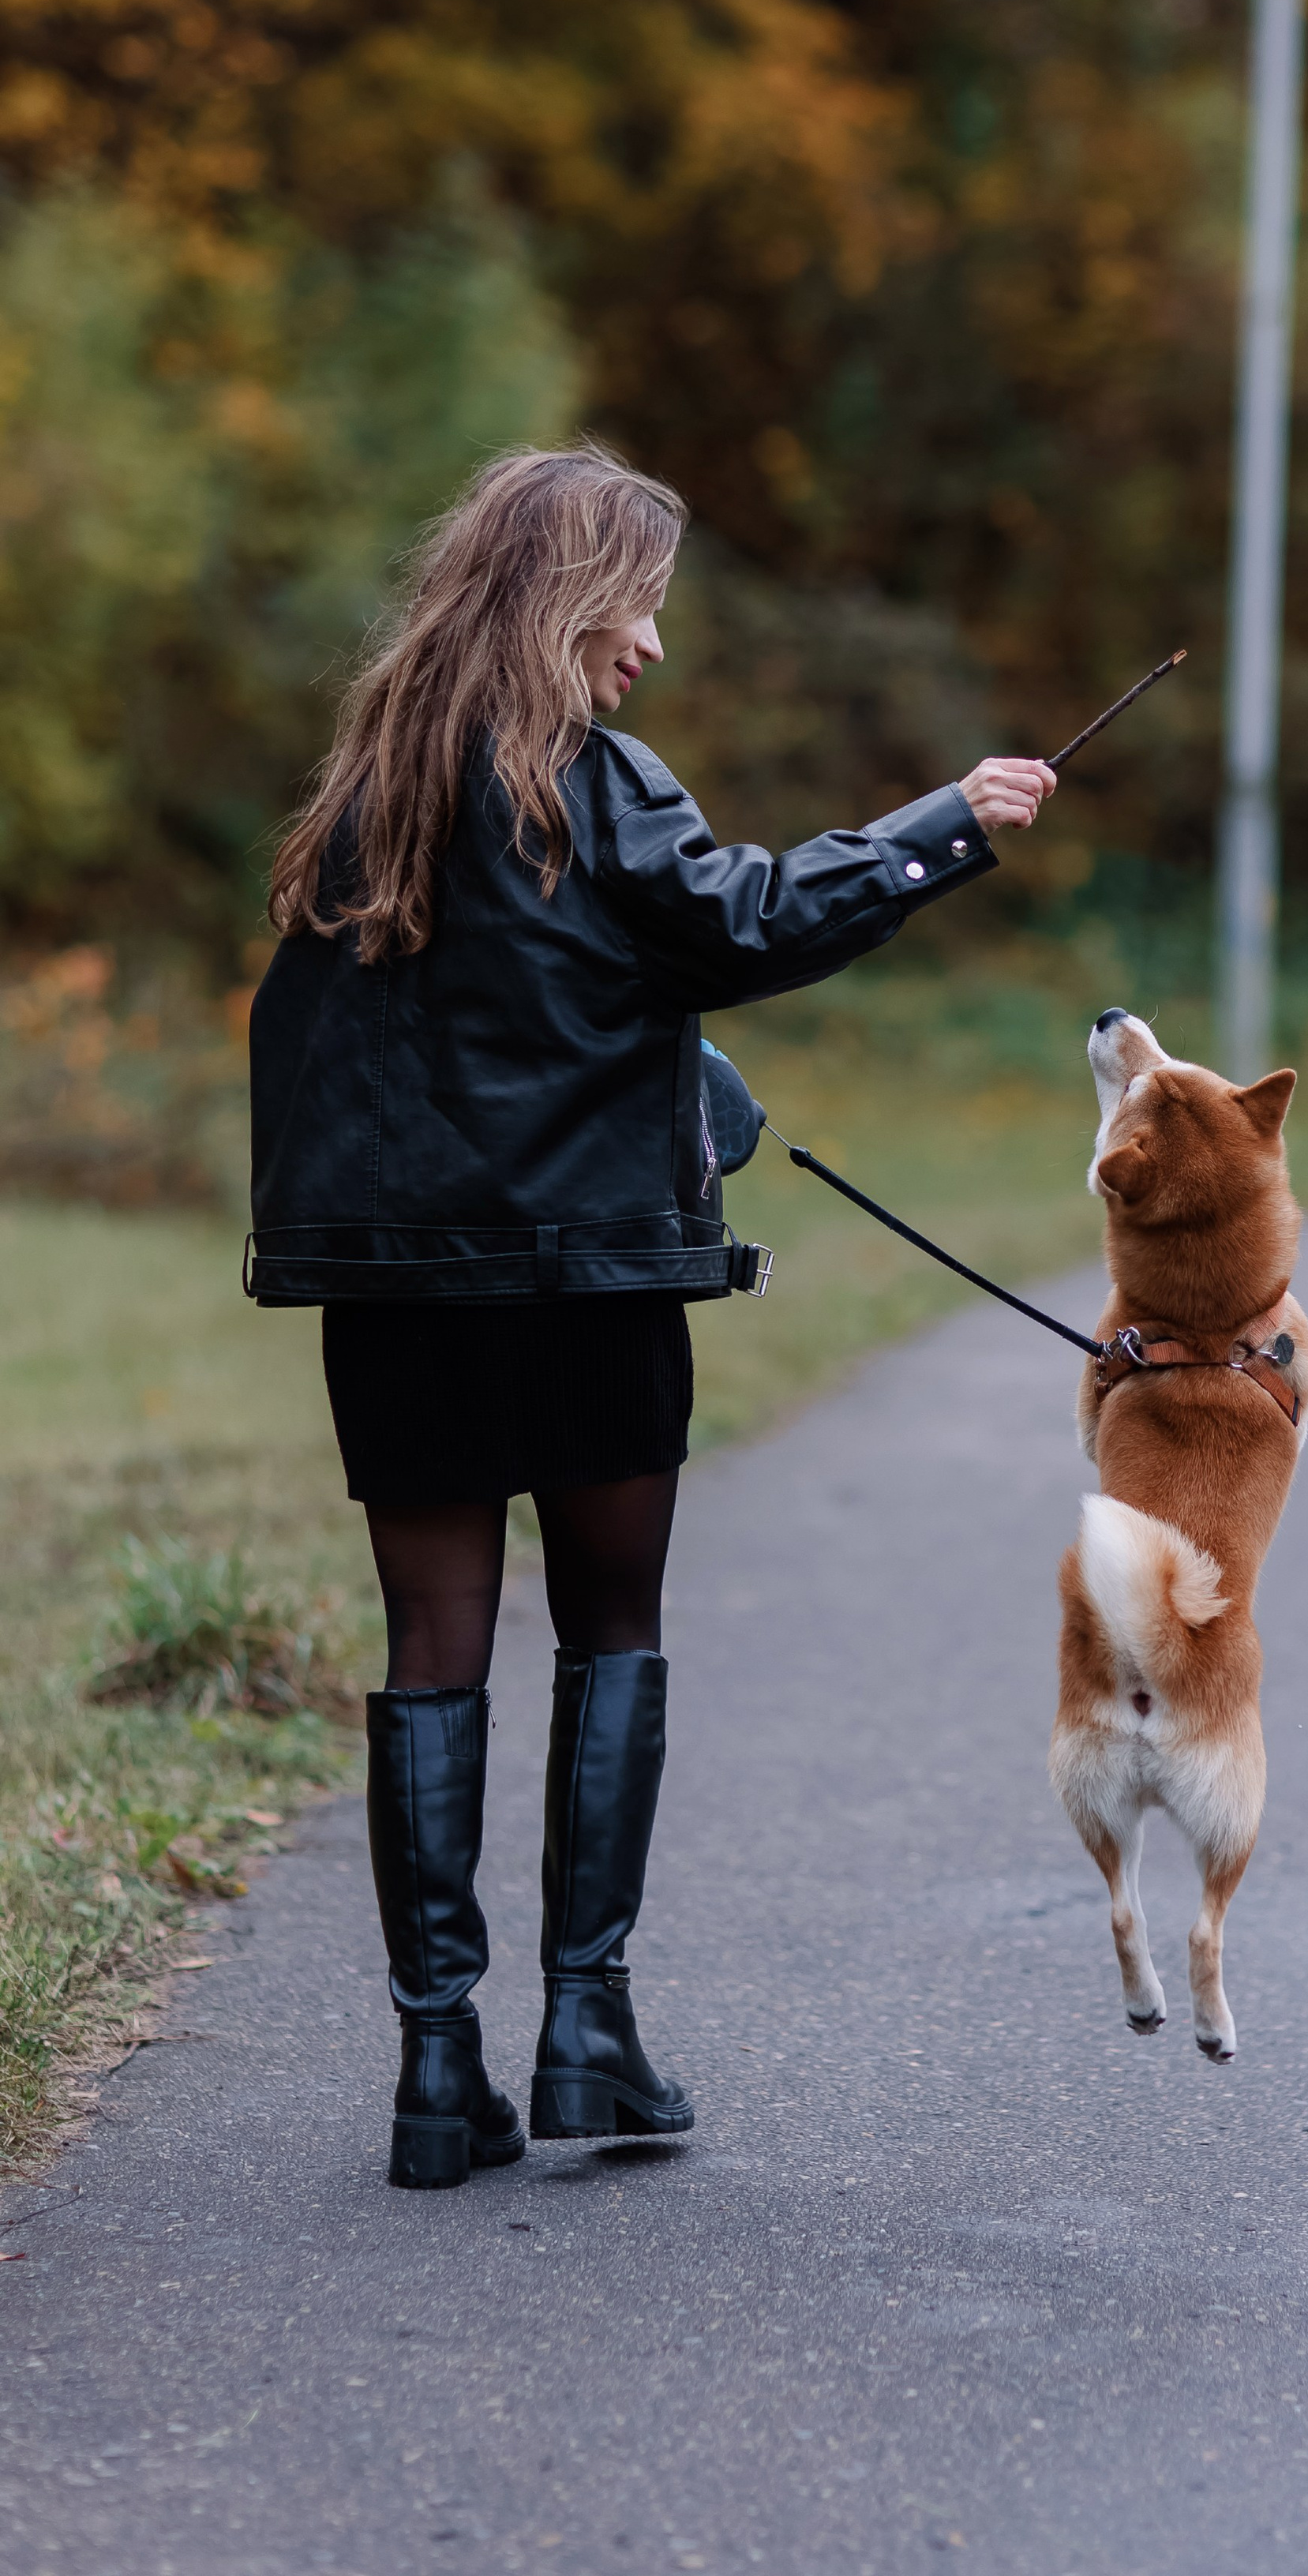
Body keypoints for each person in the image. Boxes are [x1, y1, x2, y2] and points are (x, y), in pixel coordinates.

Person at [247, 444, 1053, 2188]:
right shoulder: (587, 786)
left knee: (430, 1651)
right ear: (567, 602)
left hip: (397, 1307)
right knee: (610, 1625)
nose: (653, 650)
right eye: (640, 610)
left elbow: (337, 1058)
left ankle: (435, 2071)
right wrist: (942, 829)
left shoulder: (361, 803)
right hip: (592, 1287)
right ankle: (590, 2040)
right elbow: (740, 923)